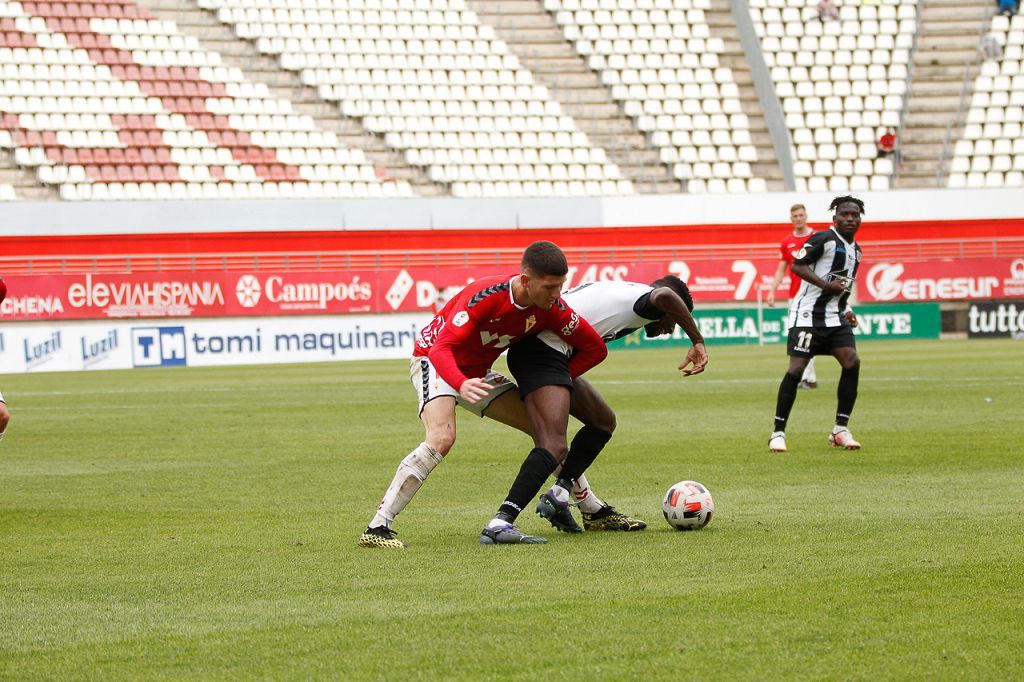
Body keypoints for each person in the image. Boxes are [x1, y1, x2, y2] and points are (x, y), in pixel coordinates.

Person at [358, 241, 608, 548]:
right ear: (526, 280)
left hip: (476, 375)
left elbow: (596, 348)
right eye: (550, 287)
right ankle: (377, 528)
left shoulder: (552, 309)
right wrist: (459, 383)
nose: (557, 294)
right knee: (441, 437)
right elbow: (441, 348)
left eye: (561, 286)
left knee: (546, 435)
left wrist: (561, 377)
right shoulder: (486, 296)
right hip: (434, 362)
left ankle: (589, 507)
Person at [481, 276, 709, 544]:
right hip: (541, 351)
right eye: (674, 320)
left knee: (602, 422)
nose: (671, 329)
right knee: (553, 445)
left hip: (548, 352)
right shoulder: (650, 300)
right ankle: (500, 522)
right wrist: (697, 340)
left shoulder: (626, 289)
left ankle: (562, 494)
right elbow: (666, 296)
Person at [769, 196, 864, 454]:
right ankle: (778, 433)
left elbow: (842, 286)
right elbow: (798, 266)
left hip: (835, 316)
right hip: (807, 315)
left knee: (852, 361)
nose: (850, 218)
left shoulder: (856, 250)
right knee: (797, 368)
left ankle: (840, 430)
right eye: (845, 214)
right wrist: (825, 286)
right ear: (835, 218)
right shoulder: (823, 239)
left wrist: (848, 308)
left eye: (855, 214)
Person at [766, 204, 819, 389]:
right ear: (791, 218)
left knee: (807, 337)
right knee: (798, 337)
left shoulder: (816, 238)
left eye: (801, 215)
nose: (798, 218)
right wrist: (772, 290)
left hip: (814, 296)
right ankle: (809, 378)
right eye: (795, 215)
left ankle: (807, 377)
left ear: (806, 216)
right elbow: (781, 269)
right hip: (794, 297)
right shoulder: (787, 242)